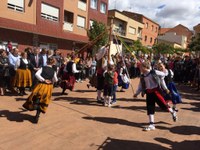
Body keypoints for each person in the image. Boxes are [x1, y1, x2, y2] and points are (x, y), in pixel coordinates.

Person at [134, 60, 178, 131]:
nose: (140, 69)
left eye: (141, 67)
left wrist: (163, 86)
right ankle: (151, 124)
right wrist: (136, 93)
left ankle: (173, 112)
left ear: (145, 67)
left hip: (156, 92)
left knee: (163, 105)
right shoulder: (142, 76)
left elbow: (163, 74)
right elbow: (140, 86)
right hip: (149, 93)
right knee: (150, 108)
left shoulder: (153, 72)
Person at [22, 57, 58, 123]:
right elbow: (56, 80)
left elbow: (36, 74)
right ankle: (37, 116)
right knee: (44, 101)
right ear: (53, 63)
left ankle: (35, 107)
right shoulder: (53, 71)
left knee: (36, 97)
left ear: (47, 62)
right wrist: (50, 80)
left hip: (41, 85)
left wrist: (43, 80)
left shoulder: (43, 68)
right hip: (48, 87)